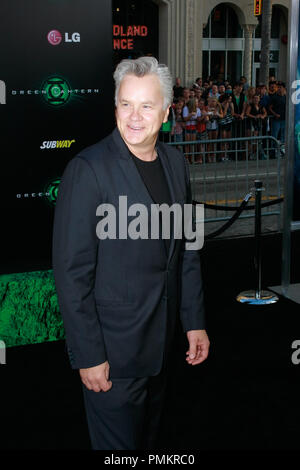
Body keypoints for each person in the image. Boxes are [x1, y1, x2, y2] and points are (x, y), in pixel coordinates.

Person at [52, 56, 209, 451]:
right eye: (126, 104)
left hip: (162, 349)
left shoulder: (176, 163)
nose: (134, 117)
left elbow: (186, 250)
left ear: (167, 111)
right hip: (112, 357)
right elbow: (72, 273)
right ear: (115, 106)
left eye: (146, 105)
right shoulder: (88, 169)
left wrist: (194, 321)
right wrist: (88, 355)